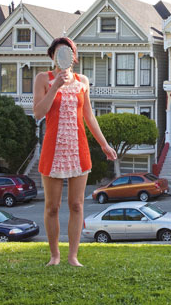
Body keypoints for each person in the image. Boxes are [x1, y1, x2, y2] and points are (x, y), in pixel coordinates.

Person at [33, 37, 116, 266]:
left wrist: (104, 144)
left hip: (78, 149)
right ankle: (54, 256)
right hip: (53, 149)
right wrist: (55, 87)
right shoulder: (43, 79)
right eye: (59, 52)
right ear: (53, 56)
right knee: (52, 206)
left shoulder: (83, 81)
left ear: (73, 57)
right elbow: (39, 112)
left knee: (77, 205)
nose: (64, 57)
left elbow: (89, 116)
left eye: (68, 53)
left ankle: (72, 256)